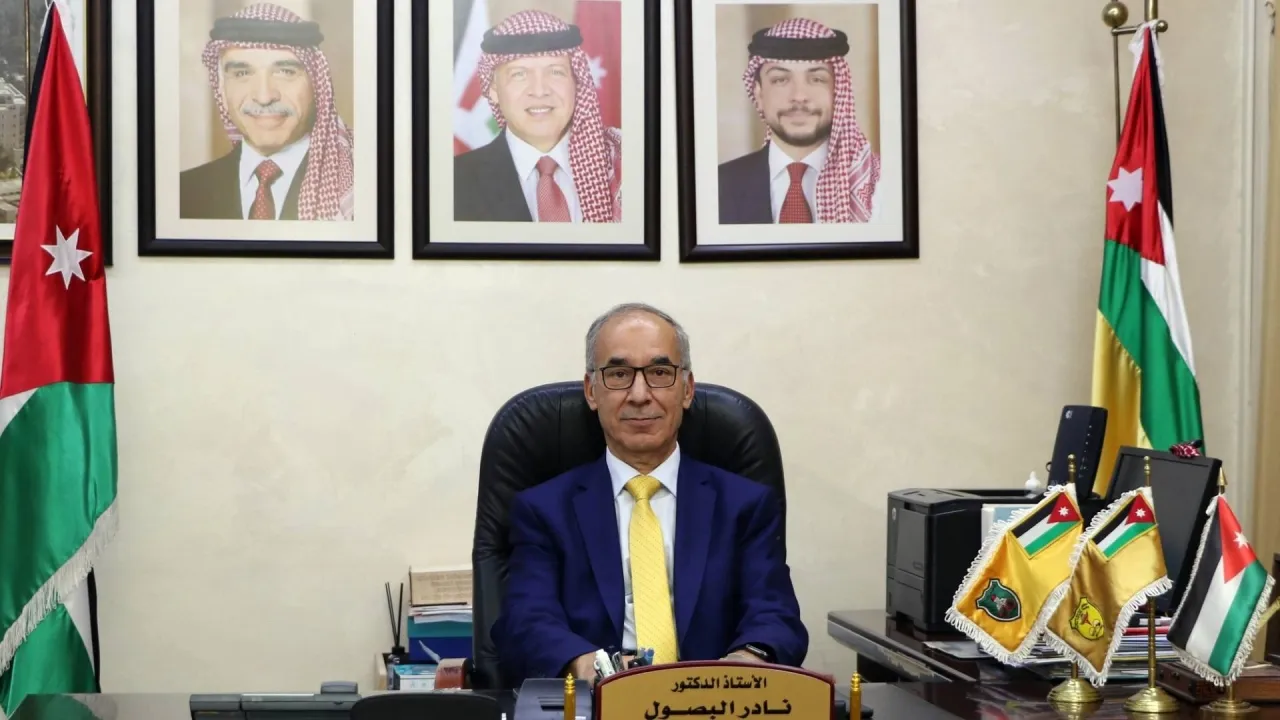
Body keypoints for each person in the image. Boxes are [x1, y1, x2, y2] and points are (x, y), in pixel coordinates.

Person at [490, 303, 806, 685]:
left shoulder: (745, 506)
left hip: (714, 701)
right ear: (591, 391)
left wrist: (741, 665)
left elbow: (774, 615)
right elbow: (526, 621)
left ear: (687, 389)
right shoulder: (543, 511)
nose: (639, 395)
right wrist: (593, 668)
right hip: (598, 699)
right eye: (619, 374)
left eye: (659, 373)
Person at [179, 2, 355, 221]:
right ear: (222, 91)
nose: (264, 97)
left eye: (285, 72)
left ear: (317, 85)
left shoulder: (361, 189)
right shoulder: (183, 194)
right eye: (242, 73)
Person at [453, 10, 622, 223]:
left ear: (576, 82)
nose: (540, 90)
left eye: (556, 72)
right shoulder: (454, 182)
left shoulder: (623, 166)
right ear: (493, 89)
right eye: (520, 74)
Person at [718, 18, 880, 225]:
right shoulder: (716, 186)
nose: (799, 96)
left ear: (838, 91)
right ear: (758, 94)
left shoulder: (879, 185)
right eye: (780, 80)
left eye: (817, 79)